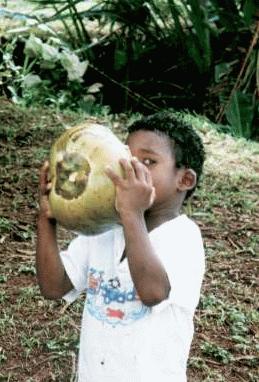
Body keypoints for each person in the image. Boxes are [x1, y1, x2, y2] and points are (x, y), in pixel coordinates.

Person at [36, 110, 206, 382]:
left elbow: (153, 292)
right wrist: (47, 218)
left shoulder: (184, 237)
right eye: (127, 159)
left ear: (184, 180)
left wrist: (131, 213)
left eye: (148, 162)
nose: (131, 169)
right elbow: (54, 287)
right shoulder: (104, 230)